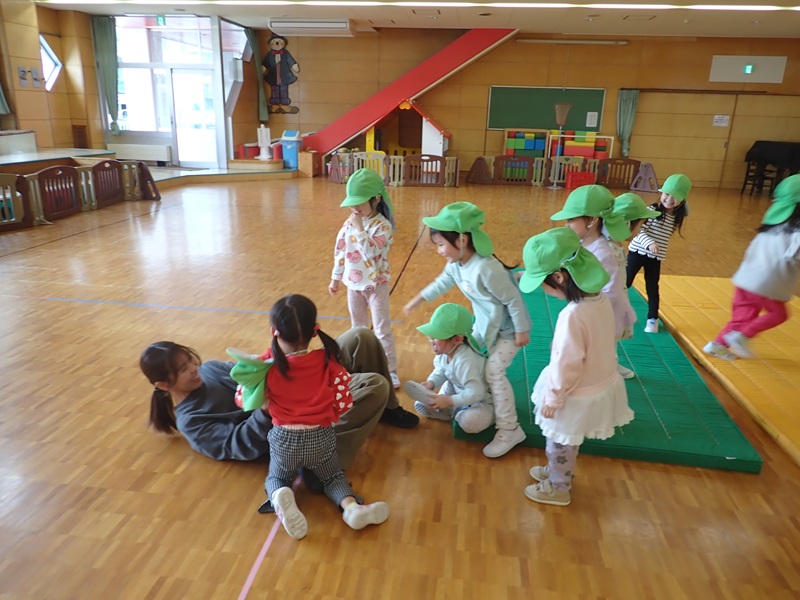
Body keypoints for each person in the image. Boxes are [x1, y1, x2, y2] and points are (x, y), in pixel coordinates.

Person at [140, 327, 415, 490]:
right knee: (374, 385)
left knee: (361, 336)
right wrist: (266, 410)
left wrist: (286, 361)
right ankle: (322, 467)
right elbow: (239, 445)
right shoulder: (192, 422)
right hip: (290, 430)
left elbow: (253, 373)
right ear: (163, 385)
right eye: (182, 369)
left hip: (291, 395)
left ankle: (388, 409)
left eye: (191, 360)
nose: (193, 368)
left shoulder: (210, 369)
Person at [235, 294, 389, 540]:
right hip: (320, 439)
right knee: (333, 477)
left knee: (276, 477)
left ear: (274, 331)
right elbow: (344, 401)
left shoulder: (266, 365)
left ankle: (280, 495)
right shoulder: (327, 359)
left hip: (284, 440)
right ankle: (351, 507)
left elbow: (242, 399)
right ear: (314, 330)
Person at [403, 202, 531, 458]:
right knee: (467, 362)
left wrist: (522, 329)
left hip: (507, 332)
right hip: (484, 327)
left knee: (494, 372)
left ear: (462, 240)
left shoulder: (487, 268)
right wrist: (418, 298)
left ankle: (510, 429)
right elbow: (441, 283)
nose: (439, 250)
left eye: (441, 244)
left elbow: (513, 300)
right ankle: (458, 404)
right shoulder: (456, 265)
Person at [519, 227, 634, 506]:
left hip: (574, 392)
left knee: (560, 440)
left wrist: (554, 396)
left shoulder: (572, 315)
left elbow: (567, 363)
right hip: (597, 380)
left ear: (559, 277)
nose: (543, 290)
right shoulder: (599, 298)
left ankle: (558, 486)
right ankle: (558, 469)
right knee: (567, 440)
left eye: (543, 283)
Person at [704, 174, 800, 360]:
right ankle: (743, 336)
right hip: (767, 284)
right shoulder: (796, 231)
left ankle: (717, 345)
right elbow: (794, 255)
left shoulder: (770, 227)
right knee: (779, 314)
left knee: (742, 318)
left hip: (745, 279)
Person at [551, 184, 638, 379]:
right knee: (599, 346)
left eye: (571, 220)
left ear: (592, 221)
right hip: (592, 309)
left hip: (605, 312)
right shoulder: (583, 244)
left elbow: (612, 291)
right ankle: (608, 365)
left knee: (600, 346)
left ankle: (607, 370)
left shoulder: (603, 253)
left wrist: (589, 311)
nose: (566, 224)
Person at [330, 168, 402, 390]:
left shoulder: (383, 226)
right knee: (358, 329)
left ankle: (390, 370)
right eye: (351, 203)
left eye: (359, 202)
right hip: (353, 285)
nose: (354, 208)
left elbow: (371, 252)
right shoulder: (348, 223)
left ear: (376, 199)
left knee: (381, 329)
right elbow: (340, 251)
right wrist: (335, 278)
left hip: (376, 285)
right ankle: (360, 365)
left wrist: (360, 229)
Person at [404, 303, 495, 435]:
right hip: (458, 389)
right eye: (430, 336)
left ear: (457, 339)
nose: (431, 340)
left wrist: (449, 401)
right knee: (448, 383)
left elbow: (477, 393)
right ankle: (445, 407)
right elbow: (441, 370)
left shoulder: (466, 361)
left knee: (471, 423)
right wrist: (431, 382)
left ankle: (451, 411)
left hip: (482, 400)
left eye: (436, 336)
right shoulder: (445, 353)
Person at [626, 173, 691, 333]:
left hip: (655, 258)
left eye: (675, 196)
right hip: (637, 252)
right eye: (667, 194)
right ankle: (611, 309)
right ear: (661, 193)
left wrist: (656, 247)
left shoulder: (676, 217)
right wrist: (650, 243)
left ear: (682, 200)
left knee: (653, 288)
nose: (669, 199)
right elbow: (639, 231)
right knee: (625, 283)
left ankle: (652, 319)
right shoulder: (651, 210)